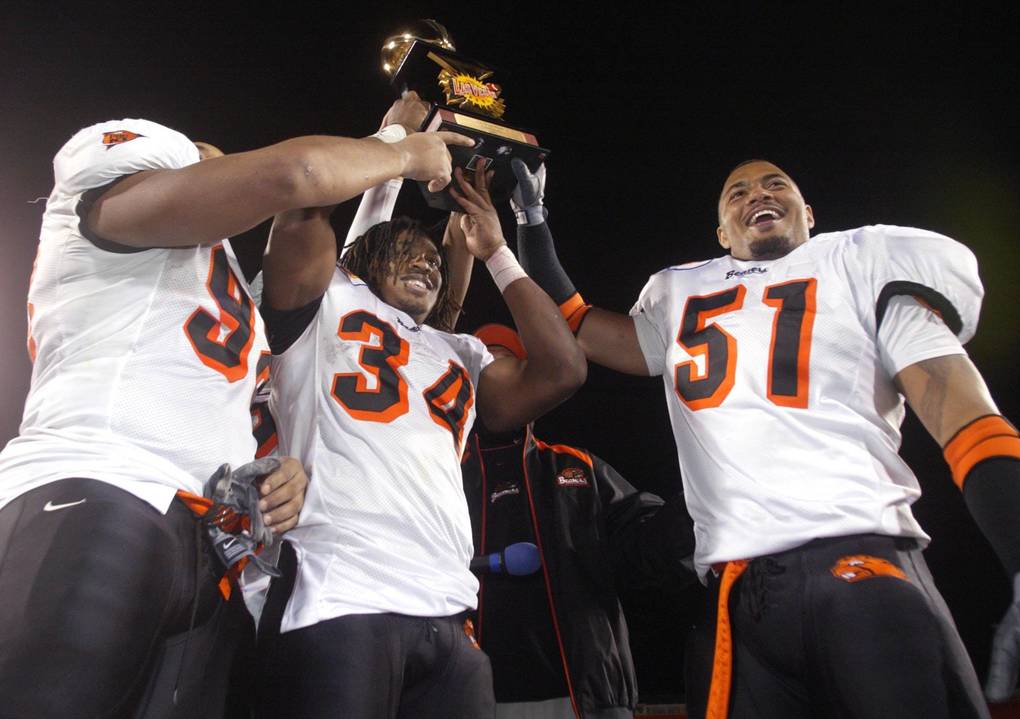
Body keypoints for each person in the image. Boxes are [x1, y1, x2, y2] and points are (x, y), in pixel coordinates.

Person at [509, 158, 1020, 719]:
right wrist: (530, 218)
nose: (757, 195)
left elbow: (967, 419)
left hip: (859, 563)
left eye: (775, 185)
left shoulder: (862, 261)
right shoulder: (679, 293)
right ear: (722, 233)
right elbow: (574, 321)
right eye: (736, 193)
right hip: (739, 596)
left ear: (808, 213)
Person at [0, 109, 470, 718]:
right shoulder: (114, 178)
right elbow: (298, 175)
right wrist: (399, 150)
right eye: (199, 150)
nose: (216, 153)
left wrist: (274, 470)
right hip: (103, 488)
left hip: (209, 544)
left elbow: (221, 402)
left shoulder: (219, 279)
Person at [251, 127, 587, 716]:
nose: (428, 266)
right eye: (407, 252)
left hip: (447, 607)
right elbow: (305, 202)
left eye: (434, 259)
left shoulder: (459, 350)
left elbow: (562, 370)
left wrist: (495, 253)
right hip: (338, 592)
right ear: (362, 263)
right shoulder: (324, 304)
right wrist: (396, 140)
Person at [462, 322, 695, 719]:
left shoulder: (577, 467)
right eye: (485, 373)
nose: (500, 383)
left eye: (511, 368)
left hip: (590, 698)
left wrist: (695, 504)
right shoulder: (441, 473)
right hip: (473, 699)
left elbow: (643, 551)